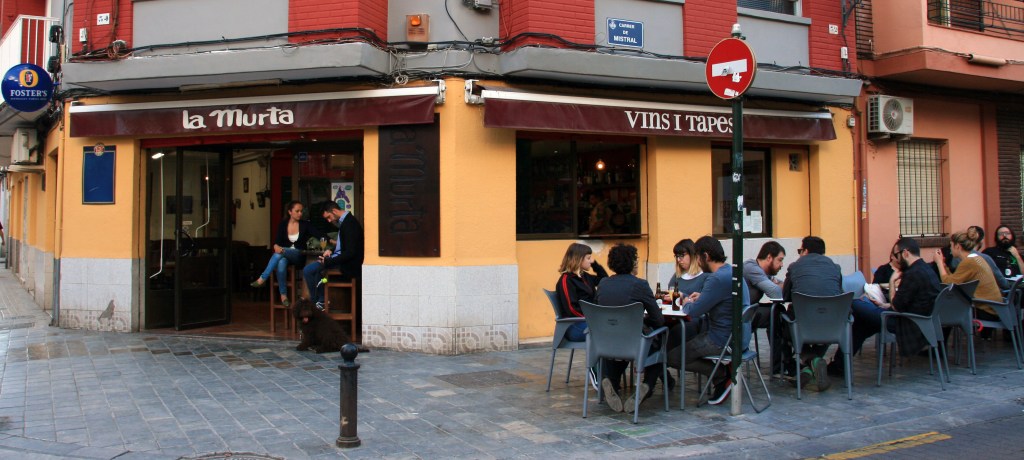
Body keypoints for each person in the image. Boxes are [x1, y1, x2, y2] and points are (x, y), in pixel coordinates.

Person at [836, 238, 941, 376]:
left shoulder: (913, 274)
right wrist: (884, 305)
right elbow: (909, 301)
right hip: (916, 318)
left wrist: (892, 281)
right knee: (864, 323)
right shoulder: (926, 269)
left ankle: (838, 361)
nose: (896, 260)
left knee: (854, 302)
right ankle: (838, 365)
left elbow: (897, 306)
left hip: (906, 322)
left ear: (905, 253)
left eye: (896, 255)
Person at [594, 243, 665, 413]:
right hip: (635, 344)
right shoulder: (640, 285)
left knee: (624, 341)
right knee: (660, 341)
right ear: (632, 263)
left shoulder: (603, 283)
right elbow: (658, 320)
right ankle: (647, 385)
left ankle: (610, 379)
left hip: (607, 343)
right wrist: (644, 319)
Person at [675, 236, 741, 405]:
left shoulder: (715, 278)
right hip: (738, 336)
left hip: (721, 339)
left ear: (706, 256)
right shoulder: (731, 272)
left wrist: (687, 301)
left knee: (673, 357)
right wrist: (704, 296)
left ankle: (721, 376)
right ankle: (722, 373)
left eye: (697, 257)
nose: (697, 261)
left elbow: (694, 312)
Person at [781, 236, 843, 391]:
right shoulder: (835, 268)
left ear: (805, 251)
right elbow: (839, 295)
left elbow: (785, 296)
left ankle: (810, 361)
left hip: (802, 325)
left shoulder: (795, 266)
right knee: (831, 314)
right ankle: (812, 366)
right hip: (831, 327)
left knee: (782, 320)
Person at [251, 200, 320, 307]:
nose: (300, 213)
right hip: (284, 256)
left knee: (281, 252)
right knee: (281, 262)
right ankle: (283, 296)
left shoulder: (305, 224)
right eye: (297, 211)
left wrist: (331, 240)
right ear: (290, 212)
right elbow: (277, 242)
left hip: (298, 256)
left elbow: (319, 234)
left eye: (301, 211)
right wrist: (275, 246)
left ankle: (263, 278)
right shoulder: (283, 225)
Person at [303, 201, 364, 309]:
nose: (329, 221)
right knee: (313, 270)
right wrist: (330, 252)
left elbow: (350, 252)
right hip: (342, 260)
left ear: (334, 211)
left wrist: (329, 261)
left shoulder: (349, 224)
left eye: (329, 217)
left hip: (349, 265)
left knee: (310, 270)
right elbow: (344, 248)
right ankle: (319, 300)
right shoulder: (346, 222)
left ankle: (317, 302)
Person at [935, 231, 1003, 323]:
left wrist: (939, 263)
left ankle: (940, 337)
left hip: (986, 311)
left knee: (944, 310)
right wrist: (943, 265)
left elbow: (948, 283)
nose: (950, 249)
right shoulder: (976, 258)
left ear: (957, 246)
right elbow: (954, 279)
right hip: (995, 308)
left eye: (951, 246)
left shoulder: (969, 263)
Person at [743, 240, 786, 371]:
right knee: (776, 312)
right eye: (780, 260)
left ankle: (784, 362)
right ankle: (781, 365)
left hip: (749, 312)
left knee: (777, 311)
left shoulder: (764, 274)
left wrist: (778, 284)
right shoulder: (751, 268)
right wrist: (777, 286)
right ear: (769, 257)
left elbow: (784, 285)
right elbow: (776, 292)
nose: (782, 265)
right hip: (741, 316)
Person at [554, 242, 608, 342]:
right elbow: (571, 309)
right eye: (588, 258)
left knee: (614, 328)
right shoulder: (566, 280)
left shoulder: (585, 276)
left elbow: (604, 279)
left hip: (587, 322)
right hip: (574, 326)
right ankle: (602, 358)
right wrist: (592, 318)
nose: (590, 261)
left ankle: (605, 358)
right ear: (578, 259)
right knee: (608, 331)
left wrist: (595, 264)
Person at [966, 225, 1009, 290]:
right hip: (984, 297)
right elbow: (1003, 283)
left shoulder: (958, 256)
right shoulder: (985, 258)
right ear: (981, 240)